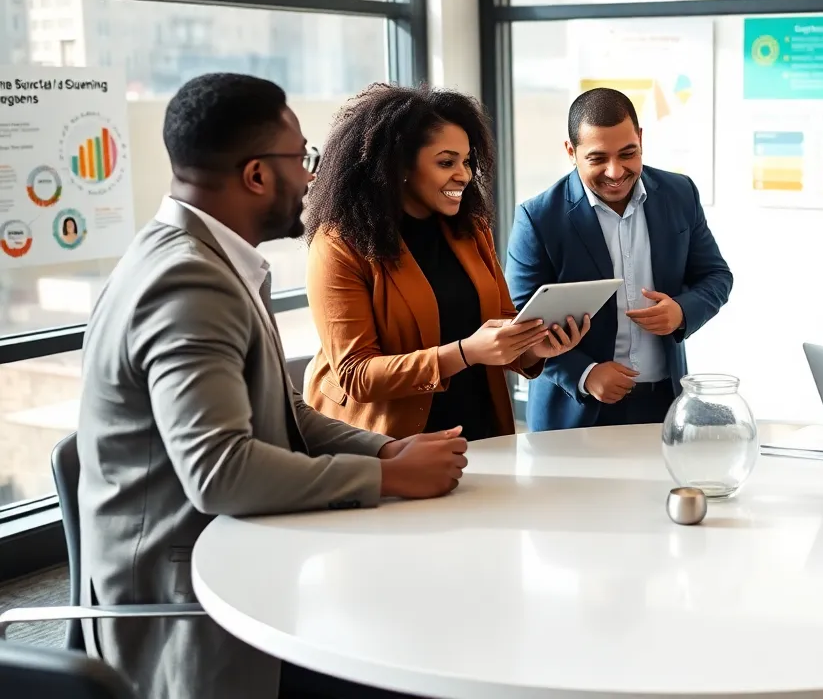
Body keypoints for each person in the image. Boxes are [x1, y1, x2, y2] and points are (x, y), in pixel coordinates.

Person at [76, 73, 469, 699]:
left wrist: (386, 450)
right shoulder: (187, 283)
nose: (314, 176)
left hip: (252, 551)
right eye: (303, 158)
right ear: (257, 175)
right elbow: (220, 474)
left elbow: (284, 411)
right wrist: (388, 478)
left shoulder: (212, 260)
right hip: (194, 606)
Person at [302, 84, 587, 442]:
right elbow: (357, 375)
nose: (464, 175)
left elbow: (499, 320)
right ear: (400, 164)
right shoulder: (339, 244)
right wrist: (464, 353)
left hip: (479, 433)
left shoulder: (470, 228)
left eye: (466, 161)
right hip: (388, 446)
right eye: (446, 162)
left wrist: (531, 348)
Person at [506, 87, 733, 431]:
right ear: (571, 152)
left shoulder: (679, 193)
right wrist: (584, 374)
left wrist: (682, 311)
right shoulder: (538, 218)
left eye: (628, 153)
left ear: (641, 138)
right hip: (574, 412)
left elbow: (716, 276)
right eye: (598, 159)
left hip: (662, 404)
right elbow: (517, 327)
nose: (615, 172)